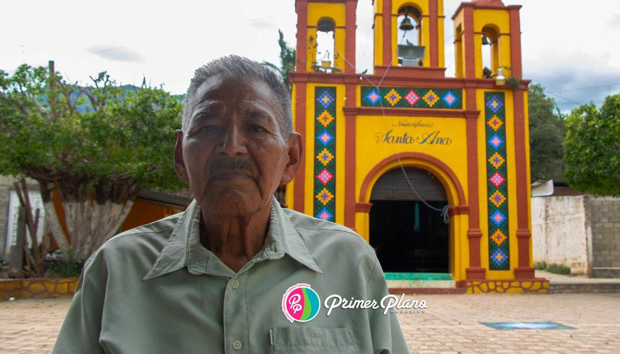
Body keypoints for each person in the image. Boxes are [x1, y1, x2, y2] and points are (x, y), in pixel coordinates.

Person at [53, 55, 409, 353]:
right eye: (207, 127)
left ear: (291, 157)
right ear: (180, 156)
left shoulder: (350, 264)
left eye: (256, 128)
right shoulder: (117, 270)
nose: (231, 146)